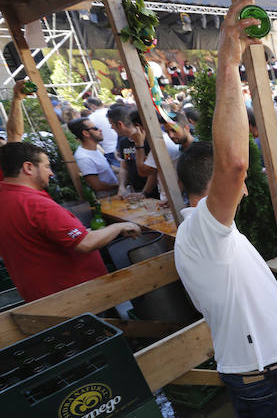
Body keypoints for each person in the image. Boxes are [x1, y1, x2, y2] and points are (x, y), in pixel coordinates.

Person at [173, 2, 277, 418]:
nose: (245, 184)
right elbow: (233, 165)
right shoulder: (204, 230)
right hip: (266, 376)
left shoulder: (206, 233)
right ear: (208, 188)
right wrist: (228, 62)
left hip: (250, 372)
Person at [0, 141, 140, 302]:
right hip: (74, 296)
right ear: (28, 168)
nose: (51, 173)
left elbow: (34, 237)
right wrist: (119, 226)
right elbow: (85, 243)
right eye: (46, 166)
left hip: (40, 296)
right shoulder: (36, 204)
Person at [107, 104, 158, 198]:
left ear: (120, 124)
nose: (111, 128)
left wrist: (145, 192)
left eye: (111, 124)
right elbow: (124, 167)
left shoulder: (148, 140)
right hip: (137, 192)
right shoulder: (123, 142)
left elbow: (154, 171)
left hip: (156, 193)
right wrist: (122, 186)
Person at [67, 117, 124, 195]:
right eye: (95, 128)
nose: (100, 130)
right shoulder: (84, 158)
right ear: (86, 133)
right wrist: (120, 186)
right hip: (108, 200)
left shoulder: (95, 149)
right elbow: (97, 186)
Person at [85, 96, 120, 168]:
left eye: (89, 107)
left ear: (92, 106)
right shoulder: (112, 111)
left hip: (109, 150)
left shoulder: (90, 118)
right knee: (129, 165)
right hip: (121, 147)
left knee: (120, 170)